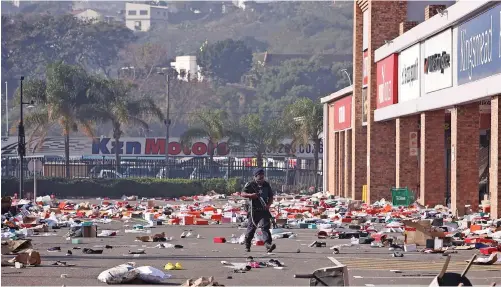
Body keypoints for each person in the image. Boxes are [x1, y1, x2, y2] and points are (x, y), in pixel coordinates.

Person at [241, 168, 276, 253]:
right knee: (251, 228)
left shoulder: (266, 185)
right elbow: (242, 194)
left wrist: (268, 205)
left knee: (265, 227)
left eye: (263, 177)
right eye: (260, 177)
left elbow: (271, 197)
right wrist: (251, 195)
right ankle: (247, 245)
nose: (261, 179)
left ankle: (268, 244)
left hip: (264, 210)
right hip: (254, 210)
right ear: (255, 176)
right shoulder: (250, 184)